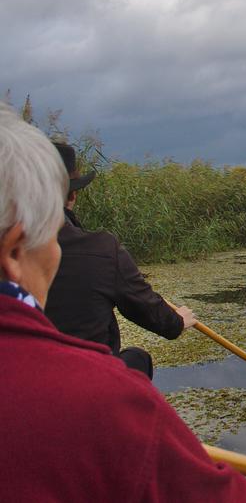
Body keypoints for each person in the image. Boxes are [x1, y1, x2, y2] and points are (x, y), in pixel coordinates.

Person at [0, 104, 246, 502]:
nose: (59, 250)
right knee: (137, 361)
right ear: (15, 251)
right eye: (52, 237)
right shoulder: (104, 397)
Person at [44, 142, 195, 379]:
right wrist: (177, 322)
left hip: (23, 380)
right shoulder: (102, 249)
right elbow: (147, 309)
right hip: (90, 382)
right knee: (138, 359)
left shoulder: (13, 250)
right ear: (72, 195)